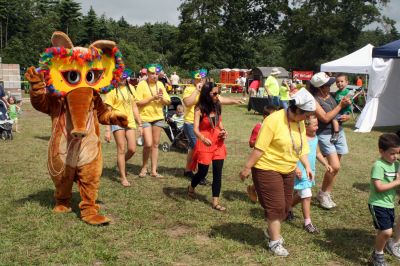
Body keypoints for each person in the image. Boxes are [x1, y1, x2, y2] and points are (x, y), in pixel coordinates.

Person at [239, 88, 316, 257]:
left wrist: (307, 166)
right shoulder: (273, 121)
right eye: (306, 115)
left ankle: (269, 225)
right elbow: (259, 149)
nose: (308, 119)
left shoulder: (299, 122)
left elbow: (301, 147)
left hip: (288, 169)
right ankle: (274, 242)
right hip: (267, 167)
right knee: (276, 207)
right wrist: (247, 168)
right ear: (296, 109)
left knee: (286, 207)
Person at [182, 69, 243, 182]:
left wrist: (235, 101)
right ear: (193, 79)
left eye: (202, 78)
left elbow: (221, 99)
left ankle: (190, 170)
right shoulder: (189, 89)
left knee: (194, 147)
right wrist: (197, 90)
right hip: (191, 122)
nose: (200, 80)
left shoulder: (210, 91)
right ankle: (198, 173)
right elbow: (187, 103)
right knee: (198, 146)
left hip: (206, 125)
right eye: (198, 78)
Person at [310, 72, 351, 210]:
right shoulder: (315, 100)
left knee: (335, 168)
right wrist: (340, 106)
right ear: (321, 87)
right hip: (325, 135)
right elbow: (326, 118)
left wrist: (347, 116)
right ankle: (323, 194)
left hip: (339, 132)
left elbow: (342, 112)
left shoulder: (332, 96)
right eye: (328, 84)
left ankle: (326, 193)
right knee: (335, 166)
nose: (331, 85)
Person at [187, 82, 228, 211]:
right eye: (214, 93)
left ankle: (215, 202)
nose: (217, 96)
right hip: (204, 140)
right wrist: (203, 139)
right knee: (202, 171)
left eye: (218, 93)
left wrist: (224, 131)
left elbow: (219, 123)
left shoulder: (217, 106)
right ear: (206, 94)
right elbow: (195, 129)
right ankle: (191, 187)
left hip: (217, 142)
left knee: (217, 172)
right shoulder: (199, 108)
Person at [287, 116, 332, 234]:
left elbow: (317, 153)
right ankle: (307, 223)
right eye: (315, 125)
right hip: (299, 171)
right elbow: (290, 154)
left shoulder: (315, 137)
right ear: (305, 126)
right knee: (306, 195)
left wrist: (326, 164)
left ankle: (287, 208)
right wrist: (296, 168)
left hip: (309, 171)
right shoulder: (299, 138)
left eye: (317, 125)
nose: (317, 127)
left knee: (302, 193)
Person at [104, 70, 143, 187]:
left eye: (124, 77)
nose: (122, 79)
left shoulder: (131, 88)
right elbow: (108, 112)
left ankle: (121, 163)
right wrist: (107, 130)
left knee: (132, 149)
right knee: (121, 149)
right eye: (120, 77)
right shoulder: (111, 90)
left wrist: (140, 124)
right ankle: (123, 177)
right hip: (117, 121)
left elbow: (135, 107)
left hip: (130, 122)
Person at [368, 133, 400, 266]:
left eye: (397, 153)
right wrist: (398, 182)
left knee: (383, 231)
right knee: (387, 231)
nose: (396, 156)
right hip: (377, 204)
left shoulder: (396, 164)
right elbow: (379, 187)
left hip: (389, 204)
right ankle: (378, 254)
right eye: (392, 153)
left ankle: (377, 253)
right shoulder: (378, 166)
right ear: (381, 151)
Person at [136, 64, 171, 178]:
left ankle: (154, 171)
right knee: (148, 144)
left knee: (155, 145)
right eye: (152, 74)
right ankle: (144, 168)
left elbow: (168, 101)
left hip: (158, 117)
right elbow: (138, 103)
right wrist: (153, 98)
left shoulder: (160, 84)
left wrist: (162, 99)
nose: (154, 76)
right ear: (147, 74)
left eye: (156, 74)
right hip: (145, 118)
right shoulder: (142, 84)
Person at [247, 104, 280, 203]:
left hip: (273, 156)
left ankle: (254, 188)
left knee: (270, 178)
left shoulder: (276, 127)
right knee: (264, 179)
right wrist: (261, 140)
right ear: (265, 117)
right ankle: (253, 189)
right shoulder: (259, 127)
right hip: (261, 157)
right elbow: (251, 143)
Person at [329, 73, 352, 143]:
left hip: (345, 111)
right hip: (339, 110)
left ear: (347, 82)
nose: (339, 83)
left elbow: (351, 102)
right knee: (334, 118)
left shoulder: (348, 92)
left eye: (342, 81)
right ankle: (336, 132)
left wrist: (348, 101)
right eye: (337, 82)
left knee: (334, 118)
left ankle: (336, 133)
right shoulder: (337, 92)